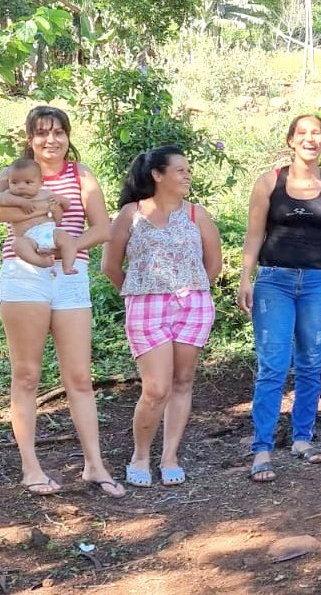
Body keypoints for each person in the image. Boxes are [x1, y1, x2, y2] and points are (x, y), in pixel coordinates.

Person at [0, 106, 124, 498]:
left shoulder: (81, 176)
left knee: (79, 377)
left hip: (69, 276)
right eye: (42, 133)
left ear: (68, 136)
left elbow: (104, 229)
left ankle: (95, 465)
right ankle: (31, 468)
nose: (51, 140)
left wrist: (67, 246)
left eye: (59, 132)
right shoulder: (16, 174)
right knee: (26, 375)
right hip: (23, 275)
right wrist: (40, 207)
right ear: (30, 137)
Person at [238, 115, 321, 483]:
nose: (310, 138)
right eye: (302, 133)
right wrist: (246, 278)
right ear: (290, 141)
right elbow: (254, 235)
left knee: (311, 363)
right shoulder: (270, 182)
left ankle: (303, 439)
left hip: (320, 282)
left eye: (316, 132)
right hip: (275, 281)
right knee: (272, 365)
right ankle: (262, 447)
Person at [102, 146, 222, 488]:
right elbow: (110, 266)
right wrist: (143, 289)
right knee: (156, 388)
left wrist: (190, 288)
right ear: (158, 175)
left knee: (183, 381)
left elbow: (213, 264)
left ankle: (169, 456)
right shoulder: (130, 214)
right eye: (180, 170)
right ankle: (140, 456)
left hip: (193, 305)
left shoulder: (198, 214)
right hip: (146, 307)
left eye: (188, 170)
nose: (187, 175)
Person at [0, 158, 79, 275]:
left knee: (69, 240)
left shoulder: (46, 193)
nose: (21, 187)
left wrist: (60, 200)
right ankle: (40, 261)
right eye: (14, 182)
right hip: (28, 238)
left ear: (41, 183)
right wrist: (21, 202)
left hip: (50, 232)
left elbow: (67, 203)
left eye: (28, 182)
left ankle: (68, 266)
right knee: (17, 244)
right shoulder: (9, 195)